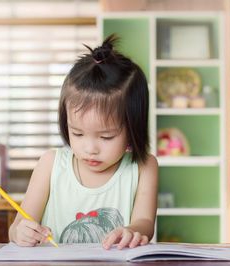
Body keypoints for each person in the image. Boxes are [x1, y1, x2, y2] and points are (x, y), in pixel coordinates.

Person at [9, 34, 158, 250]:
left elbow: (145, 223)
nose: (90, 149)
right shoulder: (50, 164)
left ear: (132, 128)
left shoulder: (144, 167)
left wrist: (133, 231)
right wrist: (20, 232)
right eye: (77, 133)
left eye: (106, 137)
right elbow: (17, 226)